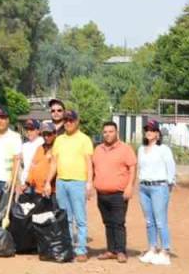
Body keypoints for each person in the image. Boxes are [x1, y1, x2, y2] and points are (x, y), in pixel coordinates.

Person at [47, 110, 94, 262]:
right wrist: (48, 181)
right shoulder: (59, 140)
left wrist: (89, 182)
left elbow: (89, 163)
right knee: (65, 218)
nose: (68, 122)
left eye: (71, 120)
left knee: (80, 218)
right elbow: (54, 163)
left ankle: (81, 249)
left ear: (77, 121)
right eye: (66, 120)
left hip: (78, 182)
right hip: (61, 182)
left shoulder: (84, 139)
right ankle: (67, 247)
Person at [92, 121, 137, 263]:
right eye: (105, 132)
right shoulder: (98, 149)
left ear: (117, 132)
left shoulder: (125, 149)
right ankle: (111, 250)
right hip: (102, 193)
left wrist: (130, 186)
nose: (107, 134)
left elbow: (132, 168)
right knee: (108, 223)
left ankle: (121, 251)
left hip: (119, 193)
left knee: (118, 222)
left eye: (111, 131)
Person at [137, 119, 176, 266]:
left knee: (160, 221)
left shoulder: (163, 149)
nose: (149, 132)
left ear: (158, 134)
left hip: (159, 186)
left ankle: (165, 251)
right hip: (144, 187)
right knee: (149, 221)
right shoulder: (141, 149)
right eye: (147, 129)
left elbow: (170, 167)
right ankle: (152, 248)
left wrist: (170, 183)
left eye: (152, 130)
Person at [22, 121, 57, 194]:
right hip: (38, 190)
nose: (46, 137)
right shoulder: (39, 148)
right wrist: (27, 183)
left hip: (52, 190)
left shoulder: (57, 148)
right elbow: (32, 166)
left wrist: (49, 183)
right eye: (44, 134)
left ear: (55, 134)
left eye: (49, 134)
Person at [19, 119, 44, 190]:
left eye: (32, 129)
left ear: (38, 131)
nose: (29, 132)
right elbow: (19, 162)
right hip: (25, 182)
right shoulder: (24, 145)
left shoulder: (42, 142)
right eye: (27, 129)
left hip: (37, 184)